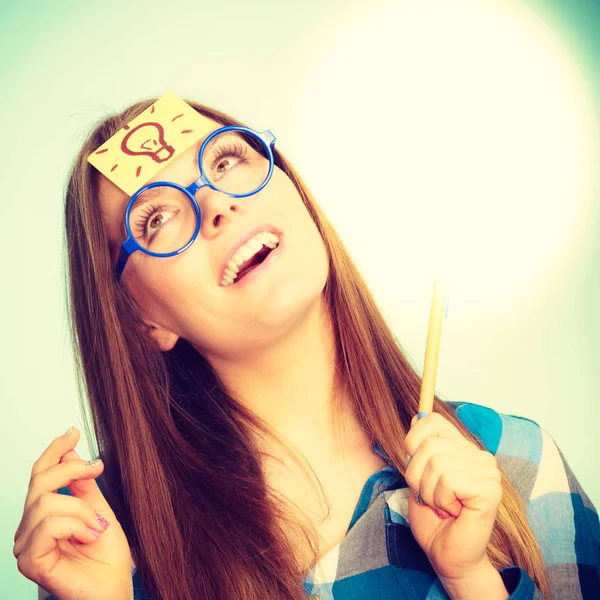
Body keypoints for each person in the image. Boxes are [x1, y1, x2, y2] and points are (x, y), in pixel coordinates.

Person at [13, 95, 600, 600]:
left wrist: (471, 578)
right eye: (158, 217)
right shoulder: (106, 549)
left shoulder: (515, 465)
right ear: (142, 320)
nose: (215, 204)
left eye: (225, 159)